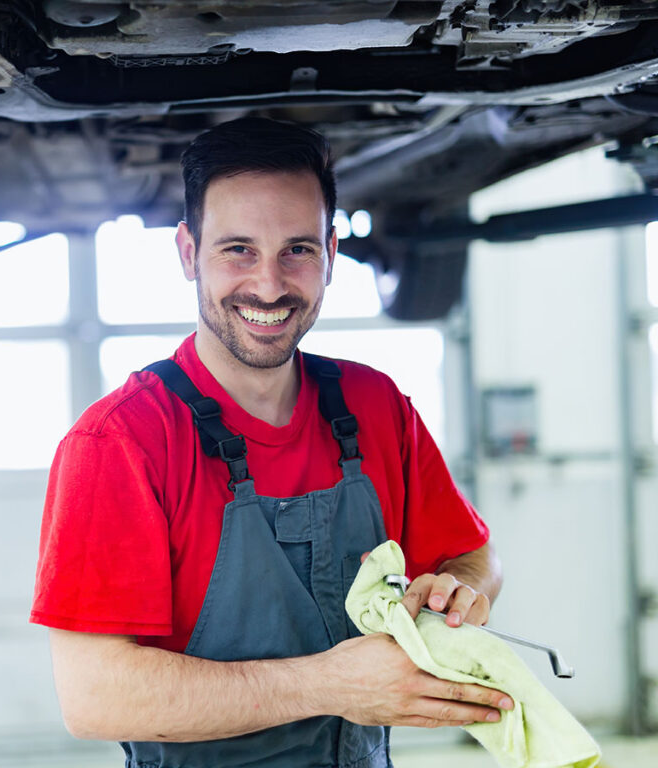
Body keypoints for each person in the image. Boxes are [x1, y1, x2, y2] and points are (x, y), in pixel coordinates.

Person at [30, 117, 509, 768]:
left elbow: (474, 555)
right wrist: (332, 684)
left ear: (332, 255)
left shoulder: (375, 407)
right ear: (185, 252)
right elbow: (93, 696)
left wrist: (456, 590)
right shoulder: (121, 442)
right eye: (238, 250)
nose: (269, 285)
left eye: (298, 250)